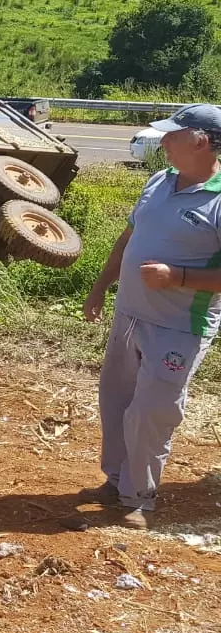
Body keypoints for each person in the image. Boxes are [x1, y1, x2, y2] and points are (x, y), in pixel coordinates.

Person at [82, 104, 221, 529]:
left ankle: (140, 498)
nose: (162, 141)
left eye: (171, 135)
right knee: (117, 400)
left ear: (200, 141)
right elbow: (129, 238)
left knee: (151, 409)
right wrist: (101, 286)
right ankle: (116, 480)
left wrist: (177, 275)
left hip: (179, 326)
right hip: (130, 316)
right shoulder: (159, 181)